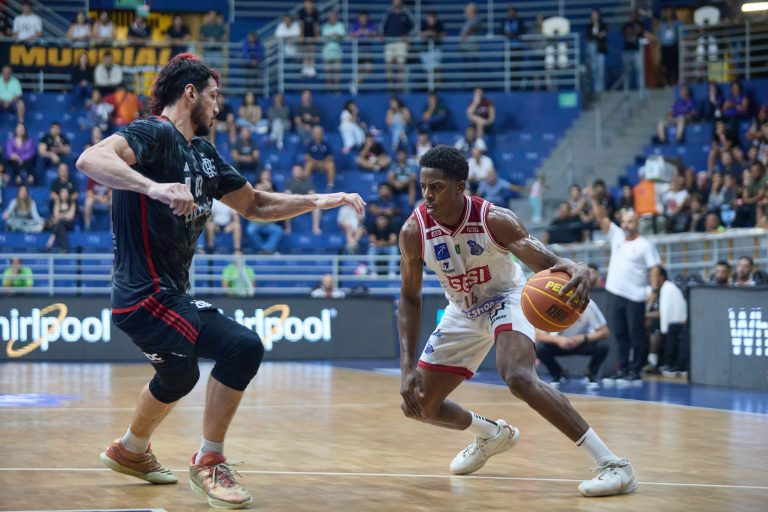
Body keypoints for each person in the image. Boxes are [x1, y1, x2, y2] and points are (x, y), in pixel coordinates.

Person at [75, 53, 365, 509]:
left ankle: (130, 450)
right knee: (242, 346)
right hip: (144, 294)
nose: (219, 106)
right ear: (190, 92)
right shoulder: (154, 134)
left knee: (179, 374)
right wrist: (152, 187)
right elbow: (90, 159)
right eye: (213, 96)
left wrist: (318, 200)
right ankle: (210, 461)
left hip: (170, 295)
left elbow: (256, 205)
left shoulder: (204, 155)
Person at [398, 145, 636, 497]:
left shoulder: (494, 219)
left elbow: (548, 261)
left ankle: (613, 464)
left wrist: (575, 267)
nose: (427, 195)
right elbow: (409, 297)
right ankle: (493, 434)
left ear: (460, 186)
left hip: (505, 299)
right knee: (418, 405)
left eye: (437, 187)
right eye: (423, 187)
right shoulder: (414, 231)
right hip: (461, 310)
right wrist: (406, 365)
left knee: (519, 377)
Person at [591, 191, 661, 383]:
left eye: (630, 222)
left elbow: (654, 268)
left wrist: (653, 291)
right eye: (624, 221)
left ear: (637, 224)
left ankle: (636, 369)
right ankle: (622, 368)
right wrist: (595, 199)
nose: (626, 225)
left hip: (636, 295)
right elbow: (602, 218)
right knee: (620, 333)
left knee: (636, 334)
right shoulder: (617, 237)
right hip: (615, 293)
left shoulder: (645, 244)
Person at [535, 301, 611, 389]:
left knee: (603, 345)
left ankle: (590, 373)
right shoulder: (552, 303)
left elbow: (605, 332)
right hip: (560, 343)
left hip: (581, 342)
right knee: (540, 348)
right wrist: (558, 340)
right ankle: (558, 373)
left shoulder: (588, 305)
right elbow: (538, 335)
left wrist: (583, 338)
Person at [648, 266, 688, 376]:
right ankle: (652, 359)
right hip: (674, 324)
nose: (650, 279)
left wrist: (645, 315)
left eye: (652, 276)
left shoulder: (668, 288)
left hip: (679, 324)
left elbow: (664, 314)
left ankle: (654, 359)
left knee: (655, 326)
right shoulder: (664, 288)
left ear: (661, 277)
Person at [380, 0, 414, 90]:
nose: (397, 1)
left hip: (401, 43)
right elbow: (381, 29)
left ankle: (399, 87)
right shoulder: (387, 13)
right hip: (389, 42)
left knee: (401, 65)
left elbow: (414, 27)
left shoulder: (407, 13)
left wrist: (408, 36)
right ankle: (390, 87)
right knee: (389, 64)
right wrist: (381, 35)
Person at [284, 164, 321, 235]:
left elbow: (312, 195)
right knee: (285, 206)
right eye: (294, 170)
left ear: (302, 171)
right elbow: (287, 196)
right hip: (293, 203)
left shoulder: (308, 182)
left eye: (298, 170)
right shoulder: (289, 182)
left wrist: (302, 199)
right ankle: (288, 228)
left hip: (305, 203)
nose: (296, 172)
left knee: (317, 206)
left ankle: (315, 227)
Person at [45, 187, 77, 252]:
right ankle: (64, 248)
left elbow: (71, 216)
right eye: (62, 193)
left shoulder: (72, 203)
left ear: (68, 194)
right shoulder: (57, 203)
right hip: (61, 224)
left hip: (69, 224)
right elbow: (56, 215)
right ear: (60, 194)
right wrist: (65, 214)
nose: (64, 194)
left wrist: (61, 215)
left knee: (60, 222)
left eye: (66, 193)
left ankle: (51, 239)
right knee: (61, 225)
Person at [304, 125, 336, 190]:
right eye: (315, 133)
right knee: (308, 164)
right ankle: (305, 184)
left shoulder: (326, 143)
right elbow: (306, 156)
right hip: (314, 163)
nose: (317, 134)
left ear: (322, 134)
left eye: (318, 133)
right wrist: (315, 161)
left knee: (331, 165)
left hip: (324, 163)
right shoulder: (310, 143)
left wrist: (323, 161)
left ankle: (330, 185)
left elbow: (331, 156)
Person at [586, 9, 607, 93]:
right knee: (594, 69)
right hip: (592, 50)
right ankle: (595, 88)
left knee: (601, 70)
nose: (594, 16)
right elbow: (589, 37)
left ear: (598, 15)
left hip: (600, 49)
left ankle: (600, 89)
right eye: (592, 14)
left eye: (595, 14)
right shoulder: (589, 26)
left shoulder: (602, 25)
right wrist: (597, 36)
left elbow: (603, 34)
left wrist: (596, 36)